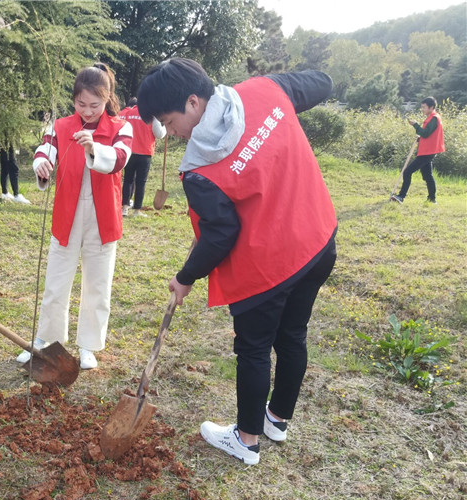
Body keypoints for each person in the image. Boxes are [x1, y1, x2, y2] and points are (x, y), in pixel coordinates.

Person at [137, 58, 337, 465]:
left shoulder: (198, 170)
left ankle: (246, 440)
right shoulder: (266, 90)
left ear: (193, 102)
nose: (169, 132)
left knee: (254, 349)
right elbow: (322, 81)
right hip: (317, 241)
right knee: (293, 334)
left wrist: (185, 277)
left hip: (267, 268)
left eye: (168, 120)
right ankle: (276, 420)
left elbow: (220, 235)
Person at [15, 63, 132, 370]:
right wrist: (41, 166)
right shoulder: (62, 126)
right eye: (81, 104)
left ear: (106, 99)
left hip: (103, 216)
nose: (88, 110)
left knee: (98, 283)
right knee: (56, 280)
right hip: (66, 214)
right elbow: (46, 150)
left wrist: (94, 147)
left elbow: (119, 159)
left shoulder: (121, 128)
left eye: (95, 105)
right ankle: (46, 341)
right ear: (74, 100)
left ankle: (89, 345)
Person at [391, 97, 445, 204]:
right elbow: (427, 134)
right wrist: (420, 138)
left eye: (424, 107)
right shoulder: (432, 117)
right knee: (427, 176)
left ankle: (401, 197)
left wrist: (415, 125)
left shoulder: (434, 118)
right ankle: (432, 199)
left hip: (427, 152)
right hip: (427, 151)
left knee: (407, 172)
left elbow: (425, 133)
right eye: (422, 107)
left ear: (431, 107)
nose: (422, 109)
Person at [118, 97, 166, 217]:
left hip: (129, 151)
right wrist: (165, 128)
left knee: (128, 180)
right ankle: (137, 210)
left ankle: (124, 208)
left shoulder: (125, 113)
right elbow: (159, 134)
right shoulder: (150, 115)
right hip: (144, 152)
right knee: (141, 182)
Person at [0, 139, 30, 204]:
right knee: (13, 169)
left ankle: (5, 193)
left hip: (4, 144)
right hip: (8, 145)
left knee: (5, 169)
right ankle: (16, 195)